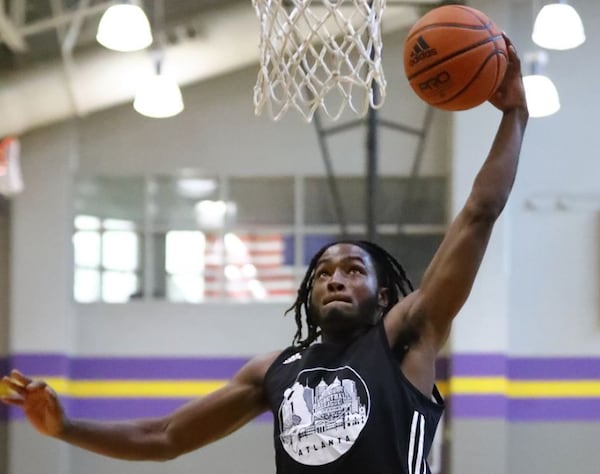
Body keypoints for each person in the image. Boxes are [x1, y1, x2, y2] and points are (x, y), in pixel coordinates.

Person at [1, 36, 528, 474]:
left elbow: (479, 213)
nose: (334, 280)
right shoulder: (273, 371)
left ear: (383, 294)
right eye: (322, 272)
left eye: (352, 270)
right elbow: (163, 436)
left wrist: (515, 115)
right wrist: (65, 427)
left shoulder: (407, 335)